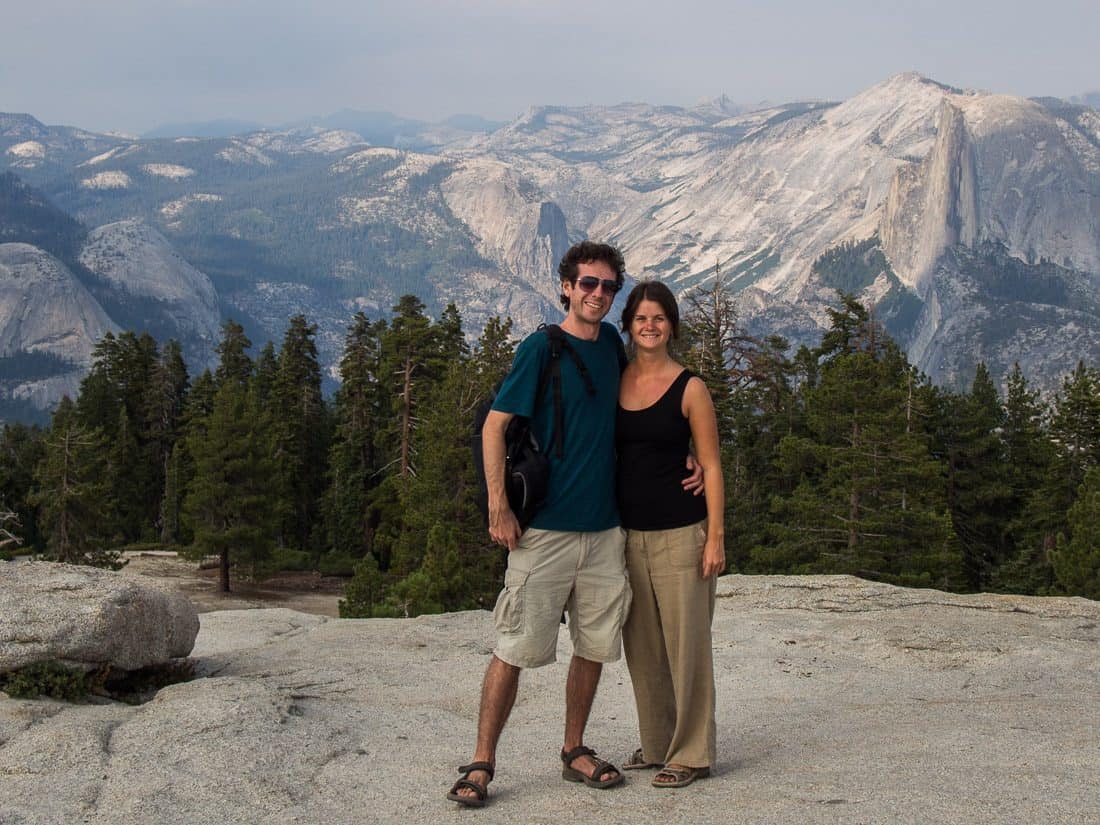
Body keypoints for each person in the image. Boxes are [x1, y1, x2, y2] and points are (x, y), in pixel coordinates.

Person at [447, 242, 701, 807]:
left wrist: (684, 454)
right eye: (588, 284)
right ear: (566, 286)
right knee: (514, 646)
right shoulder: (542, 349)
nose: (598, 295)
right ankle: (482, 762)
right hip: (548, 531)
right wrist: (498, 505)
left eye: (609, 288)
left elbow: (647, 403)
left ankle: (574, 749)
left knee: (592, 645)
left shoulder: (614, 345)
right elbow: (495, 428)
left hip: (607, 530)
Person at [616, 280, 725, 789]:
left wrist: (716, 537)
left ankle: (693, 752)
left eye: (659, 318)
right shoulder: (616, 379)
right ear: (629, 325)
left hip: (682, 534)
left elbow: (712, 465)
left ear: (672, 326)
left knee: (688, 648)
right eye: (641, 317)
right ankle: (658, 743)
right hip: (627, 536)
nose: (650, 326)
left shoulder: (691, 387)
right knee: (643, 649)